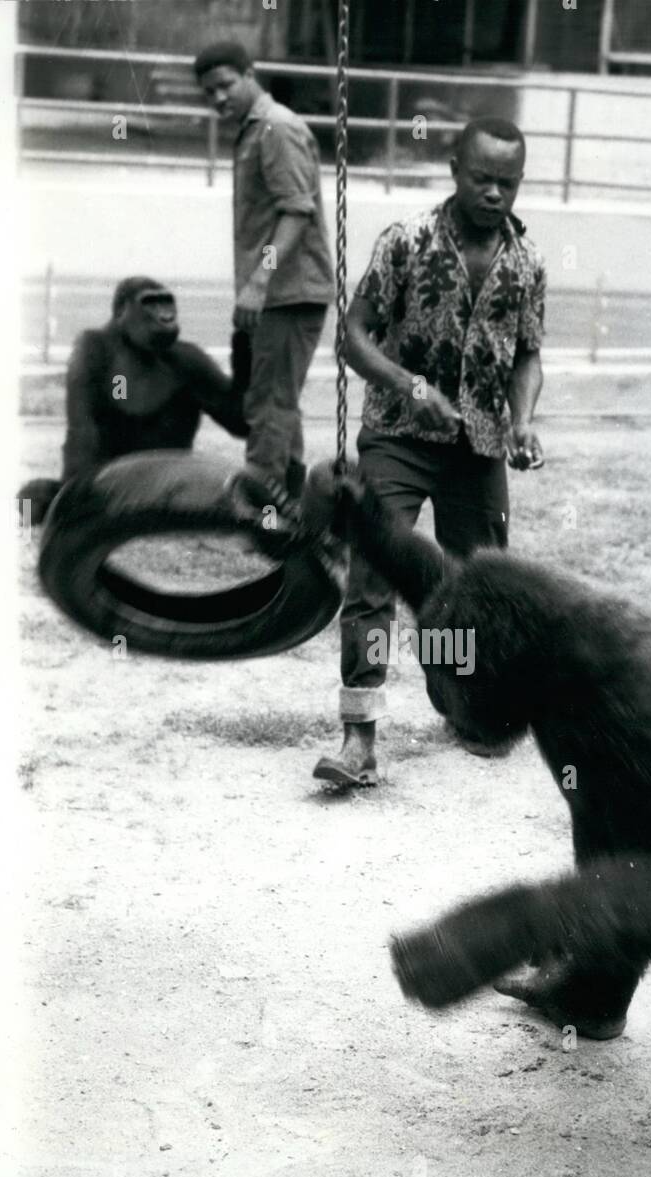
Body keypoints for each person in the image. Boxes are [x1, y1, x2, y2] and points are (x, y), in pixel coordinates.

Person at [312, 117, 546, 788]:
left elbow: (528, 353)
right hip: (397, 437)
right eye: (482, 179)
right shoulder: (405, 241)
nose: (495, 193)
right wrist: (407, 386)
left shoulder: (527, 263)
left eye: (508, 182)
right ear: (453, 168)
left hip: (477, 446)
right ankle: (358, 737)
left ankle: (464, 711)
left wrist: (523, 422)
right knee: (373, 578)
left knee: (476, 588)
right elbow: (353, 337)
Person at [194, 40, 334, 499]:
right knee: (279, 402)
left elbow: (297, 212)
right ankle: (289, 506)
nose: (218, 98)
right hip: (281, 291)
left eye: (225, 85)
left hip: (289, 293)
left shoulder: (275, 128)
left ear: (250, 74)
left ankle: (261, 510)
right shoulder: (255, 128)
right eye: (208, 92)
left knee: (268, 404)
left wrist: (258, 282)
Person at [16, 276, 249, 525]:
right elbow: (81, 435)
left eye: (166, 302)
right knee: (29, 498)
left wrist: (245, 355)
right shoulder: (95, 350)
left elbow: (240, 423)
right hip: (110, 484)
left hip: (166, 484)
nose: (164, 313)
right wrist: (80, 496)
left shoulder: (185, 359)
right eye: (151, 303)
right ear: (122, 310)